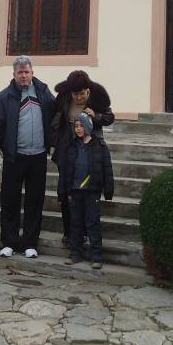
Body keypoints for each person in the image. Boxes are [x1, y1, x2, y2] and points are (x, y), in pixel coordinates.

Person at [0, 55, 56, 259]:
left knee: (35, 201)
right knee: (10, 201)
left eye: (26, 72)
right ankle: (9, 243)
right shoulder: (4, 97)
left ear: (32, 73)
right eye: (20, 72)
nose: (23, 75)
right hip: (14, 158)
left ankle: (30, 244)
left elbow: (57, 113)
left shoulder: (43, 93)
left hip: (38, 157)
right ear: (14, 74)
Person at [50, 70, 114, 245]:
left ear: (88, 91)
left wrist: (96, 116)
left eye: (82, 94)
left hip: (89, 151)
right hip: (67, 150)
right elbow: (54, 115)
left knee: (86, 191)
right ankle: (69, 232)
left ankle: (86, 232)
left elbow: (110, 117)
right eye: (75, 94)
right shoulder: (63, 98)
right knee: (66, 193)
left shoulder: (97, 98)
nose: (78, 97)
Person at [59, 112, 114, 269]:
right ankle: (75, 254)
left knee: (93, 223)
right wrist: (62, 191)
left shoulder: (100, 146)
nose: (78, 129)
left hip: (92, 191)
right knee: (75, 223)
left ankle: (96, 257)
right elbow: (65, 171)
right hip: (75, 191)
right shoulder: (71, 146)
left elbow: (107, 169)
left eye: (81, 126)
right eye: (76, 126)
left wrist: (108, 189)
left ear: (88, 127)